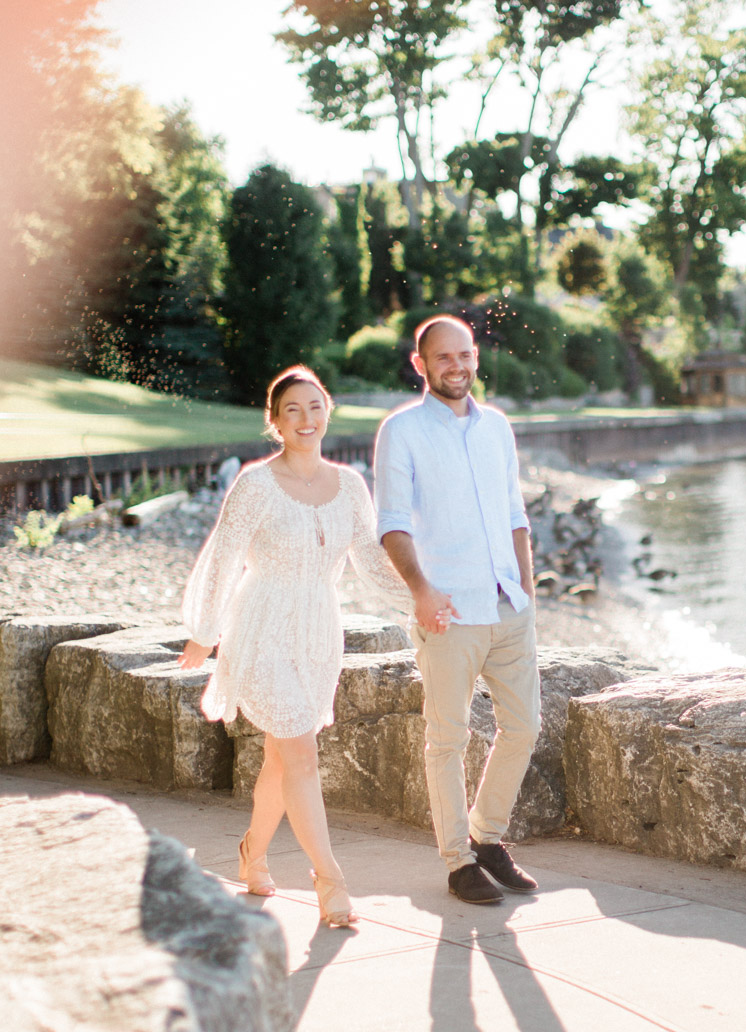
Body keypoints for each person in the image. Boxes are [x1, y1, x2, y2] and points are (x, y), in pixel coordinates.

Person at [178, 365, 408, 926]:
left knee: (284, 755)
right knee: (300, 752)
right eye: (292, 411)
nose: (306, 419)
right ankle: (330, 880)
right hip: (261, 628)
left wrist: (421, 599)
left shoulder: (350, 485)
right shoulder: (255, 484)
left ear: (327, 411)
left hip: (319, 632)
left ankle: (252, 854)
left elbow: (372, 561)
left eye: (314, 407)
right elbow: (223, 559)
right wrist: (204, 633)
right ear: (275, 423)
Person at [374, 315, 541, 906]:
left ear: (476, 357)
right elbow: (392, 523)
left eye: (465, 355)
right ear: (420, 365)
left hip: (508, 606)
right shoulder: (403, 431)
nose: (457, 366)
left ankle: (487, 837)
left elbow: (515, 511)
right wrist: (420, 590)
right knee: (447, 739)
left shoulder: (496, 427)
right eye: (443, 357)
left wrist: (526, 587)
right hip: (448, 610)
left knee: (524, 728)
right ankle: (457, 860)